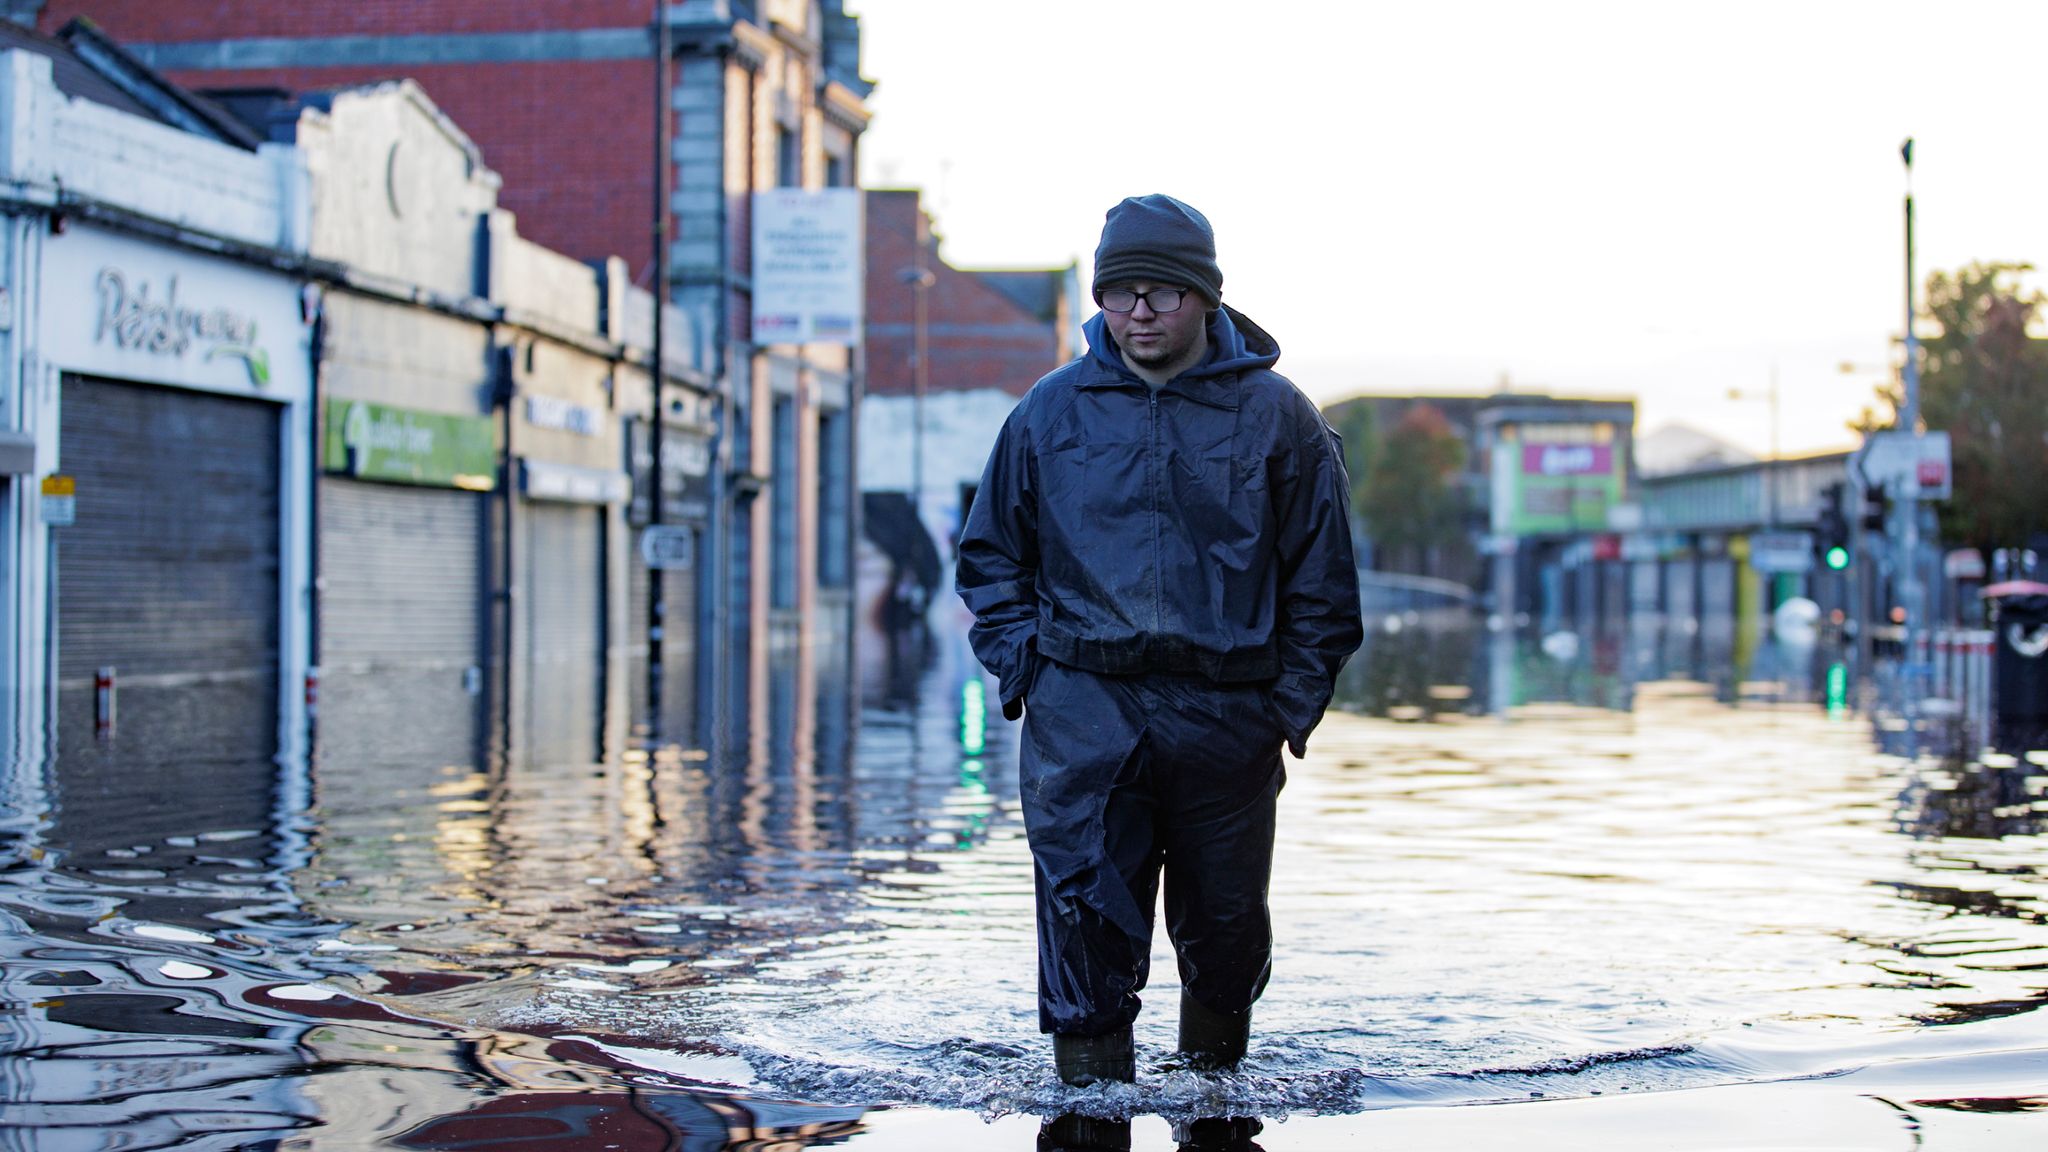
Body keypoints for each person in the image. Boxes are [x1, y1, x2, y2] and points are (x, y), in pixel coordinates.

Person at [955, 194, 1363, 1087]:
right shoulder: (1048, 415)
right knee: (1084, 931)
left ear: (1205, 298)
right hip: (1084, 717)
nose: (1141, 311)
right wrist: (1033, 674)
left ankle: (1216, 1103)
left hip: (1229, 717)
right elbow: (991, 560)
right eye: (1122, 292)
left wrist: (1285, 709)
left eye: (1163, 292)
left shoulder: (1277, 417)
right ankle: (1090, 1101)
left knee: (1224, 934)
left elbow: (1324, 582)